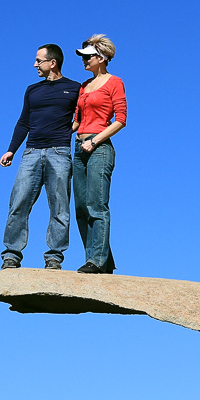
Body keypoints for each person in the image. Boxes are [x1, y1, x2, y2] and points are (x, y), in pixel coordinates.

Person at [0, 44, 81, 270]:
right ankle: (11, 255)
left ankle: (54, 257)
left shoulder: (75, 88)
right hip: (31, 152)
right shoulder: (32, 90)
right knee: (18, 203)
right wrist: (11, 150)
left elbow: (84, 115)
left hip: (59, 153)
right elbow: (23, 121)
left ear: (52, 62)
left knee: (60, 208)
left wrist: (69, 129)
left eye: (39, 60)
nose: (35, 64)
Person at [72, 34, 127, 274]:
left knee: (97, 205)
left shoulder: (115, 82)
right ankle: (103, 261)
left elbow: (121, 120)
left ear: (102, 58)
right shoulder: (83, 86)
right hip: (79, 148)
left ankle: (96, 261)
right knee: (81, 208)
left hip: (99, 149)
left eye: (88, 57)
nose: (84, 61)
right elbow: (75, 122)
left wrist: (95, 140)